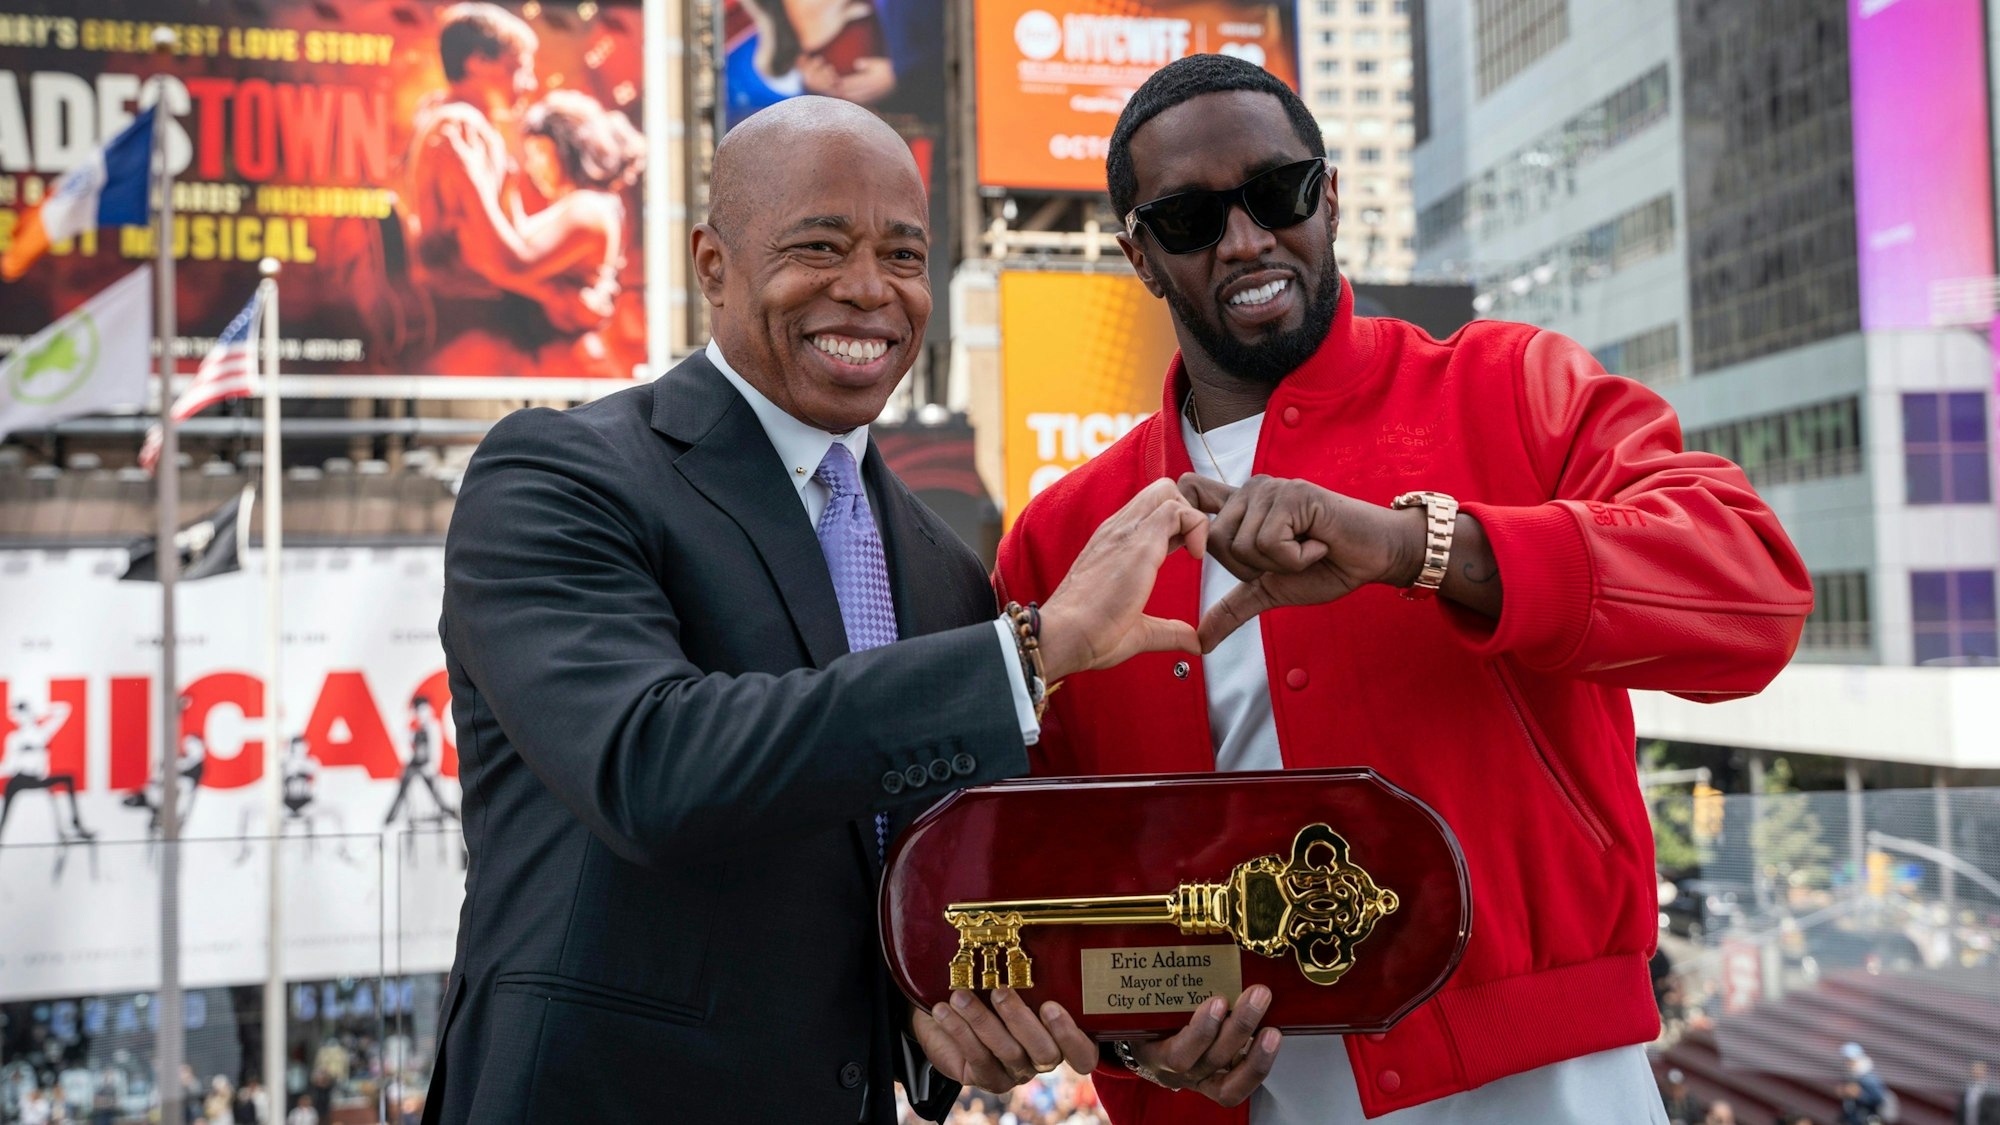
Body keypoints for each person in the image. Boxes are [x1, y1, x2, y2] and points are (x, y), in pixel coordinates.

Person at [994, 54, 1810, 1123]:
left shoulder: (1512, 387)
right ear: (1138, 256)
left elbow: (1754, 594)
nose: (1244, 240)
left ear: (1329, 196)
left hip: (1546, 1084)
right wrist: (1142, 1055)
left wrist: (1413, 549)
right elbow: (1046, 886)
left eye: (1276, 194)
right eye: (1190, 220)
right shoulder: (1062, 537)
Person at [422, 96, 1214, 1124]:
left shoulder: (939, 568)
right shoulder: (558, 475)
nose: (867, 290)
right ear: (712, 265)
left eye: (902, 255)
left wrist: (983, 1018)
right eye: (820, 247)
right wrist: (1031, 652)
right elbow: (649, 767)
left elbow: (922, 897)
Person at [0, 696, 93, 843]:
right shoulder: (14, 738)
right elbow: (9, 765)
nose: (23, 717)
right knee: (9, 790)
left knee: (68, 778)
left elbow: (64, 709)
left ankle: (76, 825)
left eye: (25, 712)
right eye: (19, 714)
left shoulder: (42, 732)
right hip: (21, 778)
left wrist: (42, 708)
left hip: (38, 778)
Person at [384, 696, 456, 828]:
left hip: (427, 765)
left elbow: (436, 748)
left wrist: (433, 767)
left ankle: (451, 816)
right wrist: (408, 719)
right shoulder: (416, 728)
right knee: (403, 789)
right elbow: (403, 738)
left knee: (437, 794)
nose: (421, 714)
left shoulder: (433, 726)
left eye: (423, 710)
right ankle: (390, 820)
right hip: (415, 764)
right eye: (418, 711)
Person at [1962, 1060, 1999, 1125]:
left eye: (1979, 1070)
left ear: (1984, 1071)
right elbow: (1961, 1111)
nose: (1976, 1072)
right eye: (1974, 1070)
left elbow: (1994, 1114)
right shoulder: (1967, 1089)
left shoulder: (1991, 1092)